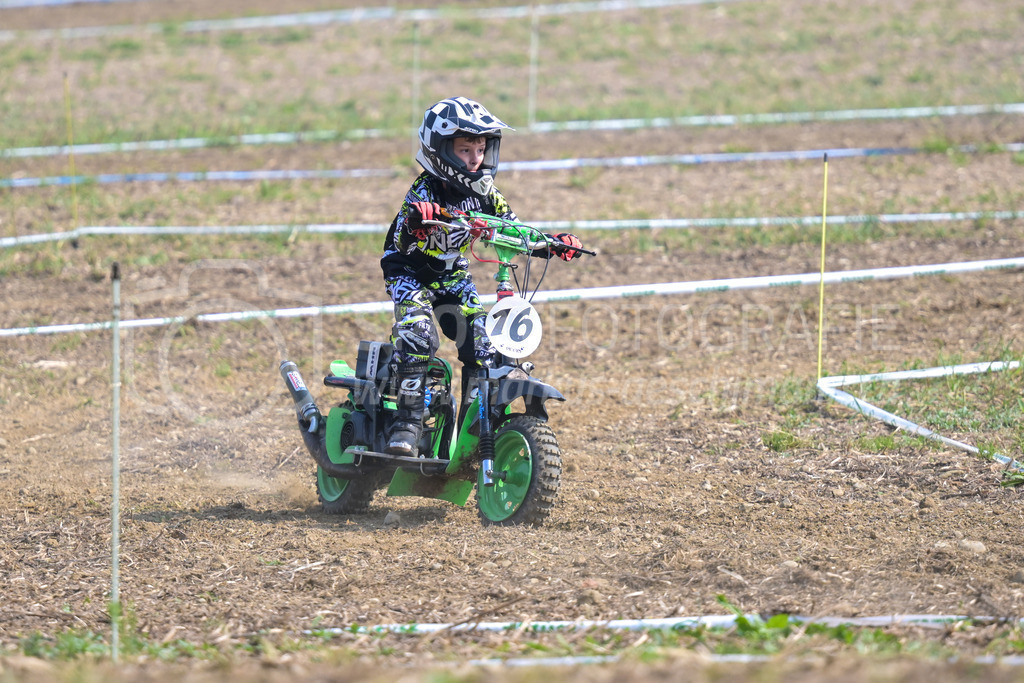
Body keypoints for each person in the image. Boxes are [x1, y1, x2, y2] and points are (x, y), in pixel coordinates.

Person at [380, 96, 583, 457]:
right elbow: (401, 239)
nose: (475, 158)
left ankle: (473, 428)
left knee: (484, 344)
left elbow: (516, 231)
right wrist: (417, 221)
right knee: (419, 335)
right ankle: (406, 423)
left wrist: (552, 245)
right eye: (464, 149)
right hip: (409, 271)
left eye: (481, 148)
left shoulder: (487, 195)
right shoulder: (424, 190)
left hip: (452, 277)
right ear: (440, 150)